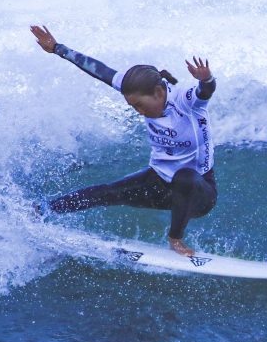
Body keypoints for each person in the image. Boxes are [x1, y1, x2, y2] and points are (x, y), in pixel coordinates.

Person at [30, 25, 217, 257]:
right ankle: (42, 210)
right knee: (106, 192)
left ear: (159, 93)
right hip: (158, 183)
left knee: (184, 177)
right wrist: (58, 48)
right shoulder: (135, 87)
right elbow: (99, 69)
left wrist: (206, 78)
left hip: (198, 194)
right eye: (133, 106)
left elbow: (205, 91)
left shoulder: (186, 102)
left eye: (140, 105)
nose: (138, 111)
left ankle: (175, 239)